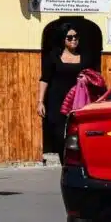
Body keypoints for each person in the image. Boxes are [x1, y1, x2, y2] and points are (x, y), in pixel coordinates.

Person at [39, 24, 87, 160]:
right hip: (57, 103)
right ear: (63, 39)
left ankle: (76, 164)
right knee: (60, 136)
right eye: (70, 37)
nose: (73, 40)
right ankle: (64, 162)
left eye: (76, 37)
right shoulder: (53, 57)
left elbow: (93, 76)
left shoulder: (85, 57)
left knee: (78, 134)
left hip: (79, 102)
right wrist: (40, 102)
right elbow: (44, 79)